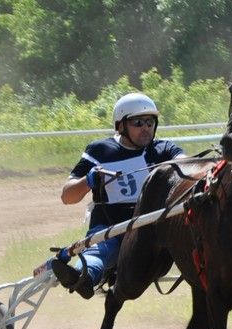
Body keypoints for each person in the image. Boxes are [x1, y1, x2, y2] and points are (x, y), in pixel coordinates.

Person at [51, 92, 186, 298]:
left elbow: (187, 163)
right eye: (138, 122)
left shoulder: (163, 149)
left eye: (150, 122)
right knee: (101, 250)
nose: (146, 128)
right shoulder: (100, 151)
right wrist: (87, 181)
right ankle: (83, 278)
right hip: (110, 228)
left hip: (151, 232)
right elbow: (67, 196)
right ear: (121, 125)